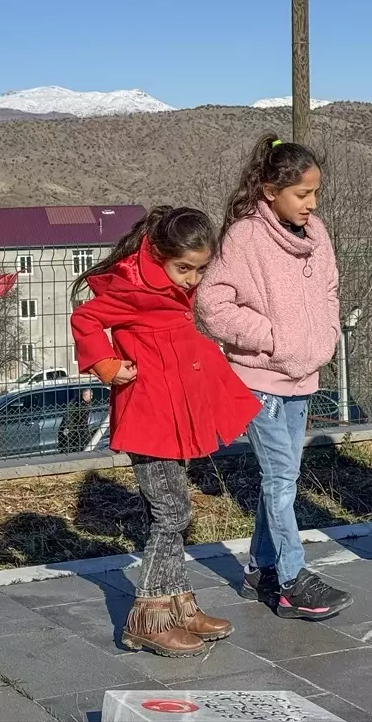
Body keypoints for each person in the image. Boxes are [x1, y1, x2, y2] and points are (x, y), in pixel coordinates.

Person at [71, 206, 260, 657]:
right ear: (157, 253)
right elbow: (86, 318)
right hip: (148, 418)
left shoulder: (171, 286)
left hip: (172, 416)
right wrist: (107, 365)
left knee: (176, 510)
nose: (192, 280)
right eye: (184, 269)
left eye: (199, 270)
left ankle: (178, 604)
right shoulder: (133, 287)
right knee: (170, 514)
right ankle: (149, 618)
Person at [196, 134, 353, 621]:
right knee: (281, 477)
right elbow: (211, 303)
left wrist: (323, 337)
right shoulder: (245, 237)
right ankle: (291, 580)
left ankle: (261, 568)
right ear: (269, 190)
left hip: (302, 376)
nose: (312, 204)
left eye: (315, 193)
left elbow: (329, 289)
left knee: (282, 477)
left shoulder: (318, 233)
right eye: (302, 194)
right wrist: (273, 336)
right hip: (259, 378)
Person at [58, 388, 97, 453]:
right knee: (72, 448)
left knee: (83, 447)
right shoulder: (77, 403)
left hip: (80, 430)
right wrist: (67, 427)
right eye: (91, 396)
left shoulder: (85, 403)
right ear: (86, 395)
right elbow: (69, 417)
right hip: (73, 430)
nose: (92, 398)